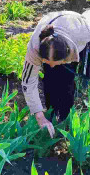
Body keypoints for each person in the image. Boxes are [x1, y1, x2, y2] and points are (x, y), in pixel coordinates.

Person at [22, 10, 90, 138]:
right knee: (51, 79)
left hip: (76, 36)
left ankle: (65, 117)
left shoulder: (84, 31)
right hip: (55, 41)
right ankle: (51, 114)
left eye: (55, 63)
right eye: (47, 62)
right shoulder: (34, 49)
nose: (52, 65)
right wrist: (39, 115)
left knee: (67, 80)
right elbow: (28, 82)